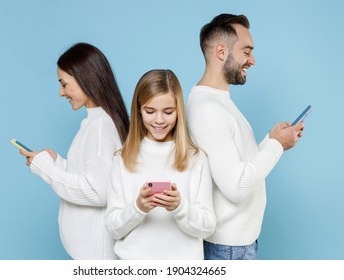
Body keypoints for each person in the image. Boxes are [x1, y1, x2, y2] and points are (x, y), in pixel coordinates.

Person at [186, 14, 305, 260]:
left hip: (237, 245)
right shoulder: (208, 108)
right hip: (228, 249)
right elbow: (236, 186)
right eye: (246, 51)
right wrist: (276, 146)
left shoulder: (218, 101)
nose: (252, 60)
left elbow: (237, 164)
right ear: (221, 51)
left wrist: (272, 141)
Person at [19, 42, 129, 260]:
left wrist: (47, 171)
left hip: (97, 257)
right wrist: (57, 163)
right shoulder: (95, 123)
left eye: (64, 84)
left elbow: (97, 192)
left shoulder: (100, 126)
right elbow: (95, 176)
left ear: (84, 79)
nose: (61, 93)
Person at [106, 69, 216, 260]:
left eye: (168, 112)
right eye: (150, 111)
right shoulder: (122, 159)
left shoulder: (196, 158)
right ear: (139, 110)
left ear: (178, 111)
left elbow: (207, 227)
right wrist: (138, 207)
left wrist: (179, 207)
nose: (159, 120)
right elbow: (114, 229)